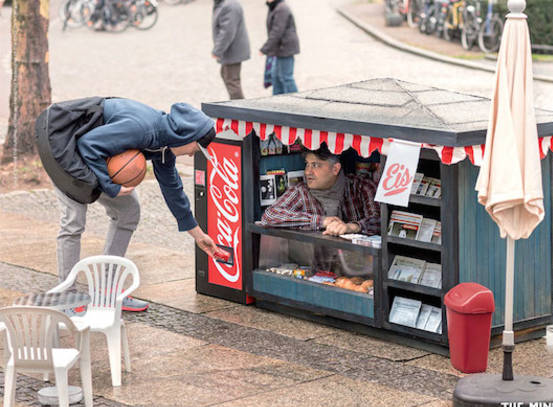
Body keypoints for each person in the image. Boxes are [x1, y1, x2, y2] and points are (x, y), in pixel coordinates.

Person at [55, 98, 220, 312]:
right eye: (196, 148)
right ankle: (66, 297)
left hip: (92, 152)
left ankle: (107, 292)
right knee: (73, 220)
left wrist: (198, 235)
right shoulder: (142, 129)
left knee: (128, 211)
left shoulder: (165, 145)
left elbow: (173, 190)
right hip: (63, 142)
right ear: (187, 136)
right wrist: (111, 187)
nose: (191, 154)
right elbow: (89, 144)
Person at [259, 145, 380, 236]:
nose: (307, 172)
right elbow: (269, 216)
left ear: (335, 169)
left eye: (315, 165)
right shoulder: (301, 191)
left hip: (357, 265)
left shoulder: (361, 187)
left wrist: (352, 227)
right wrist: (322, 221)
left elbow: (380, 221)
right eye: (307, 164)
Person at [212, 0, 250, 100]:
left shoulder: (230, 6)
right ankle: (237, 108)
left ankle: (241, 111)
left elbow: (227, 32)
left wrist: (217, 50)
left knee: (232, 81)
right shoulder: (224, 4)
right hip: (231, 50)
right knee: (226, 75)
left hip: (233, 50)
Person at [260, 0, 300, 95]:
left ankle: (296, 103)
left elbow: (277, 31)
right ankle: (277, 101)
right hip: (278, 48)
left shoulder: (282, 8)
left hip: (285, 48)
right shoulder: (274, 6)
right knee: (275, 77)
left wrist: (265, 48)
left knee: (286, 77)